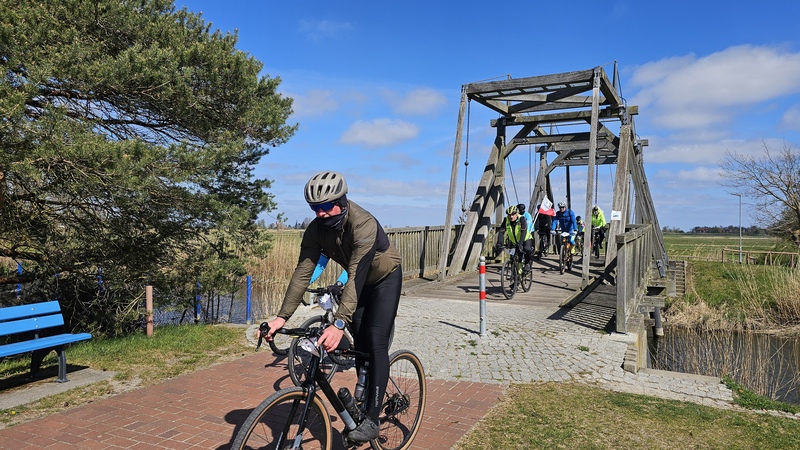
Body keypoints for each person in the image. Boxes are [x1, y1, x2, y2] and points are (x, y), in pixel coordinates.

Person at [265, 171, 402, 443]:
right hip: (359, 284)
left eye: (326, 206)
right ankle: (363, 397)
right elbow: (303, 273)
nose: (321, 213)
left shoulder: (363, 224)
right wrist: (281, 317)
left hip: (384, 279)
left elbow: (356, 274)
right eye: (315, 208)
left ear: (341, 201)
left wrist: (339, 323)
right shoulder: (316, 230)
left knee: (375, 342)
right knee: (360, 344)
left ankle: (372, 420)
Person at [494, 205, 534, 269]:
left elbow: (523, 232)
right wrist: (499, 243)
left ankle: (528, 263)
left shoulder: (522, 219)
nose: (511, 217)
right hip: (514, 241)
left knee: (526, 249)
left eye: (513, 214)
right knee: (515, 256)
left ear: (517, 213)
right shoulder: (506, 220)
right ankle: (516, 270)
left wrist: (520, 243)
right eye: (509, 215)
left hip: (525, 239)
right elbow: (501, 232)